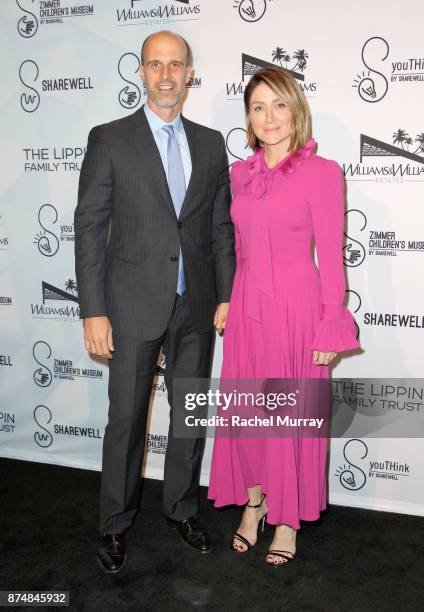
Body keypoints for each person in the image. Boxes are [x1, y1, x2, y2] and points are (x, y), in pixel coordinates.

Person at [74, 30, 235, 573]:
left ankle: (182, 509)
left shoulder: (212, 143)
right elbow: (91, 227)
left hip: (196, 306)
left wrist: (226, 294)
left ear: (190, 73)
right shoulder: (110, 138)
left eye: (176, 65)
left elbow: (219, 228)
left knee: (188, 416)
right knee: (126, 420)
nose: (166, 75)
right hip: (129, 305)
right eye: (155, 65)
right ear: (141, 71)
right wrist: (92, 309)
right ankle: (115, 523)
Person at [207, 67, 360, 567]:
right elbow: (234, 244)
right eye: (257, 107)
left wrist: (329, 323)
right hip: (248, 304)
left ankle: (287, 519)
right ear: (248, 119)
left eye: (278, 105)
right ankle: (254, 506)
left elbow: (332, 258)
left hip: (297, 306)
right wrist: (228, 296)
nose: (268, 117)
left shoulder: (323, 173)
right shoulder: (238, 174)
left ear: (296, 109)